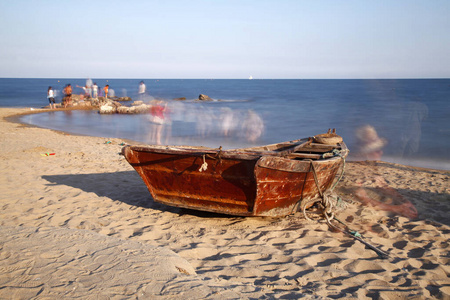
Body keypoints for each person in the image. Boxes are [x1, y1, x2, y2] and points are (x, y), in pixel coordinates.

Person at [353, 125, 418, 219]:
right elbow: (362, 198)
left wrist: (404, 201)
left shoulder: (370, 166)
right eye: (377, 150)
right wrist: (397, 208)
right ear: (365, 153)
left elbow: (382, 185)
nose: (381, 152)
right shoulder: (355, 171)